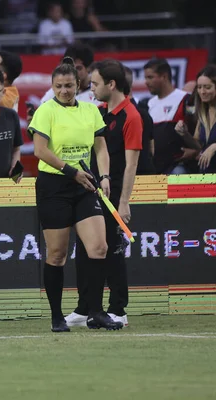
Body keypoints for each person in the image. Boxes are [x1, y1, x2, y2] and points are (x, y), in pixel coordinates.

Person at [28, 57, 122, 332]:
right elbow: (40, 151)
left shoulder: (91, 110)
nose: (64, 91)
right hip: (54, 186)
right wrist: (72, 172)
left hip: (84, 186)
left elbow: (101, 148)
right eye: (59, 86)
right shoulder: (45, 111)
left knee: (99, 248)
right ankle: (57, 316)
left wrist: (104, 176)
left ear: (78, 85)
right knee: (57, 255)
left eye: (69, 86)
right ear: (52, 86)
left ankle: (95, 311)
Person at [66, 59, 143, 328]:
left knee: (113, 251)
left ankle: (118, 309)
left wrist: (124, 203)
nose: (92, 88)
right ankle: (85, 307)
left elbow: (132, 164)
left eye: (95, 84)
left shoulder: (131, 116)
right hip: (92, 191)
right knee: (87, 251)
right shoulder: (98, 112)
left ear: (111, 85)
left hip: (115, 194)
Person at [143, 58, 201, 174]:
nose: (146, 82)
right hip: (156, 169)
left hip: (178, 167)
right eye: (145, 78)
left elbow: (198, 131)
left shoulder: (187, 100)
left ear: (164, 77)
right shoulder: (148, 104)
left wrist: (195, 151)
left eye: (150, 77)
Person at [124, 66, 155, 175]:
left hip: (128, 177)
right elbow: (152, 149)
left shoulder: (117, 116)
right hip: (144, 175)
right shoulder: (145, 113)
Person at [192, 65, 216, 173]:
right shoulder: (202, 112)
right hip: (205, 175)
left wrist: (214, 147)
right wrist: (184, 134)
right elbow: (198, 145)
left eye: (207, 87)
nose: (202, 92)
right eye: (199, 87)